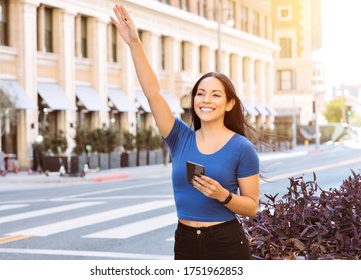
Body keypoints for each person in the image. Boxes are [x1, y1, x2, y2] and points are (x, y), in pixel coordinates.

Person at [111, 4, 269, 260]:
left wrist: (223, 195)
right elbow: (153, 93)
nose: (206, 100)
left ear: (229, 104)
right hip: (184, 241)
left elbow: (251, 207)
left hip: (226, 242)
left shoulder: (242, 148)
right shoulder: (179, 137)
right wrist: (134, 43)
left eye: (216, 95)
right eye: (201, 93)